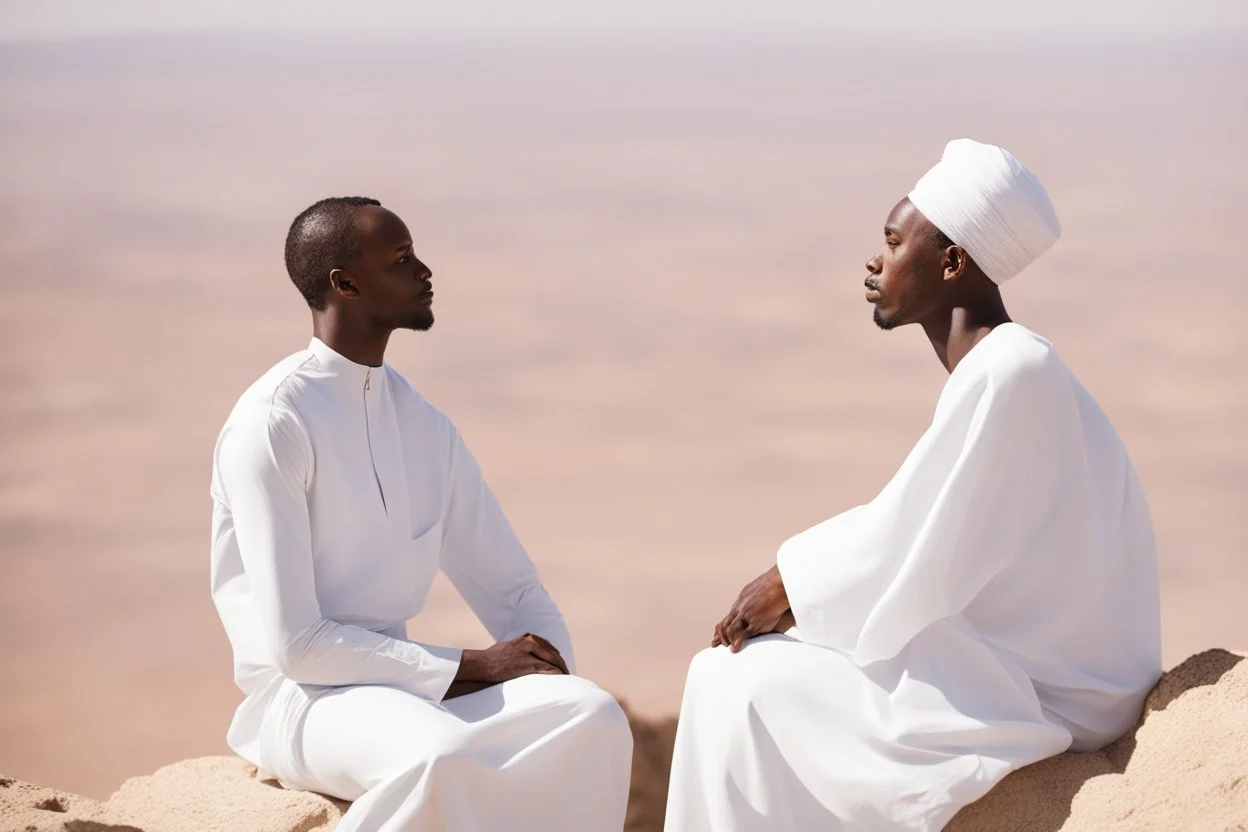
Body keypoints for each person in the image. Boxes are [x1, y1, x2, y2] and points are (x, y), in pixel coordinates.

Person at [664, 140, 1162, 831]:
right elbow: (930, 535)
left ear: (953, 262)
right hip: (1025, 665)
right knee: (764, 672)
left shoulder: (1013, 369)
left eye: (895, 243)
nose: (876, 261)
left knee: (726, 680)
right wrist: (803, 588)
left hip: (1046, 691)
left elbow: (907, 541)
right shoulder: (1009, 368)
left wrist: (787, 582)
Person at [209, 197, 632, 832]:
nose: (426, 272)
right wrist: (476, 667)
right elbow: (298, 647)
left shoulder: (424, 426)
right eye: (403, 260)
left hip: (409, 689)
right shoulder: (273, 423)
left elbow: (513, 588)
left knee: (591, 716)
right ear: (345, 284)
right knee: (440, 755)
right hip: (304, 703)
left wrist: (549, 676)